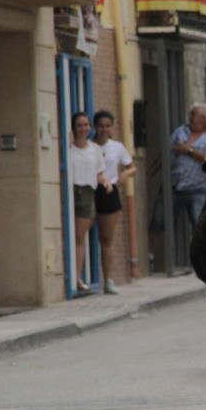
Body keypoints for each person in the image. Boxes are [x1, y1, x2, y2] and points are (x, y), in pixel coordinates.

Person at [93, 111, 137, 295]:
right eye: (101, 126)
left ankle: (108, 280)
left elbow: (131, 166)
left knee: (106, 239)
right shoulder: (89, 146)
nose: (104, 129)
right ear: (95, 127)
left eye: (107, 126)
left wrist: (124, 176)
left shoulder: (117, 147)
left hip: (109, 191)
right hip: (89, 189)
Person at [69, 112, 113, 294]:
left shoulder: (95, 149)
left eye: (86, 125)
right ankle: (74, 276)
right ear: (73, 128)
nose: (84, 128)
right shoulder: (68, 149)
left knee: (79, 236)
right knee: (72, 236)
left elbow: (99, 172)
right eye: (80, 125)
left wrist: (106, 181)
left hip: (87, 193)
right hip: (71, 192)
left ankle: (77, 277)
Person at [170, 103, 206, 229]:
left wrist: (189, 151)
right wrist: (150, 173)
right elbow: (167, 151)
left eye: (194, 115)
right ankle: (157, 249)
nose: (191, 118)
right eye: (191, 115)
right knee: (160, 222)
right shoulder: (181, 131)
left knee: (200, 225)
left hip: (197, 189)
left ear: (204, 119)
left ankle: (202, 249)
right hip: (173, 186)